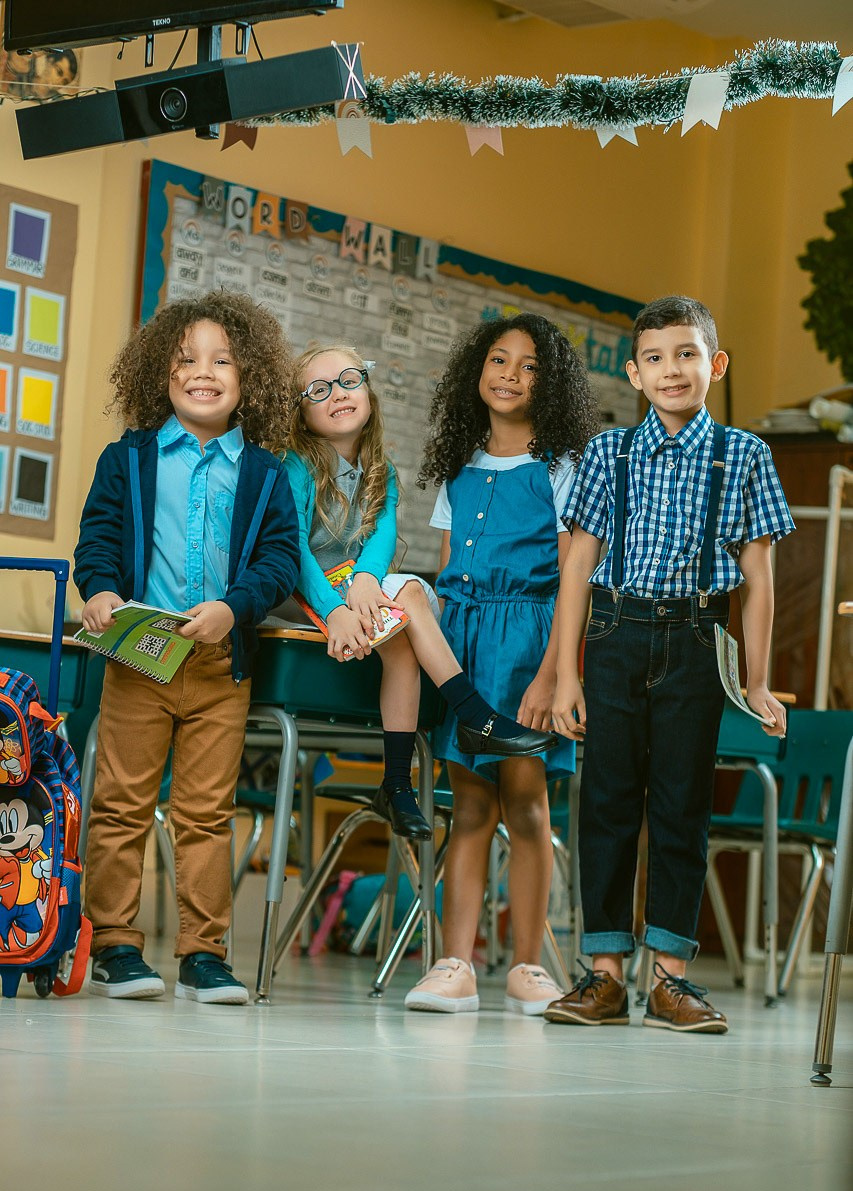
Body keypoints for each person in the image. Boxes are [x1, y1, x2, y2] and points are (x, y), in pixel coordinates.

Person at [547, 294, 794, 1033]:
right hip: (615, 635)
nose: (671, 369)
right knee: (608, 803)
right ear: (633, 372)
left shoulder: (744, 454)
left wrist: (753, 680)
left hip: (695, 640)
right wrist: (565, 673)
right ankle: (603, 974)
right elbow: (576, 569)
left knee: (681, 805)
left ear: (713, 364)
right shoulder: (608, 452)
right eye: (654, 357)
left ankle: (671, 980)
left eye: (686, 354)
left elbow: (757, 580)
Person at [74, 291, 300, 1004]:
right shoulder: (128, 457)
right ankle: (113, 944)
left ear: (250, 376)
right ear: (159, 373)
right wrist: (102, 591)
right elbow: (99, 539)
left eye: (221, 360)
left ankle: (204, 956)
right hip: (139, 657)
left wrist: (234, 610)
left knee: (207, 813)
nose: (203, 372)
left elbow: (278, 562)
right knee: (120, 805)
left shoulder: (266, 472)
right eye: (186, 360)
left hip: (218, 666)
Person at [282, 342, 556, 843]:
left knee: (404, 621)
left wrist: (366, 580)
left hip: (361, 592)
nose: (337, 394)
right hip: (310, 597)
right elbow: (292, 551)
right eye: (318, 389)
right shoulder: (295, 466)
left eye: (348, 380)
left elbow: (382, 536)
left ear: (367, 391)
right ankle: (473, 714)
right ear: (301, 412)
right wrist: (334, 610)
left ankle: (395, 784)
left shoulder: (380, 469)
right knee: (407, 598)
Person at [405, 313, 597, 1015]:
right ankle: (453, 964)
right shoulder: (456, 468)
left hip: (529, 644)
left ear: (550, 387)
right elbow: (450, 565)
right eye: (497, 360)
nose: (510, 375)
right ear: (474, 373)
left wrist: (552, 671)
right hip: (463, 647)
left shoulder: (560, 467)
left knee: (527, 803)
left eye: (528, 366)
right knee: (469, 808)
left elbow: (573, 581)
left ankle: (525, 966)